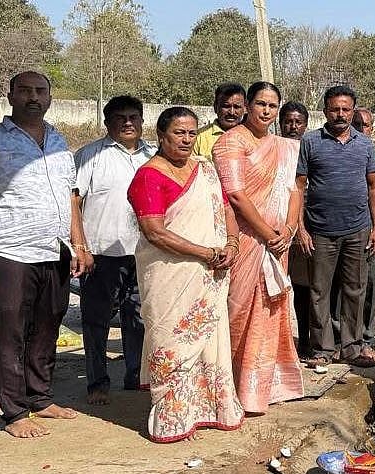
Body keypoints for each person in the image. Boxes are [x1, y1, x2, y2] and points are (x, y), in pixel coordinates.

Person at [0, 71, 92, 438]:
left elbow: (71, 196)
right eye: (25, 91)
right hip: (8, 251)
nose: (33, 97)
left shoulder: (59, 141)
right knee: (11, 331)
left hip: (53, 250)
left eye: (40, 91)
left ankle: (41, 397)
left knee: (48, 325)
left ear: (49, 97)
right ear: (10, 96)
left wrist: (78, 243)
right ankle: (15, 411)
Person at [127, 106, 244, 442]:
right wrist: (206, 253)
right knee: (171, 340)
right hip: (170, 275)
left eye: (192, 133)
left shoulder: (205, 170)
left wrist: (232, 244)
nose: (186, 139)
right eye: (179, 133)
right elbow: (155, 232)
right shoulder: (148, 176)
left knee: (211, 343)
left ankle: (212, 409)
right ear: (161, 136)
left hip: (211, 273)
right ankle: (172, 416)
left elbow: (225, 209)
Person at [213, 81, 304, 414]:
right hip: (246, 241)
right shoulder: (229, 142)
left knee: (271, 310)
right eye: (261, 104)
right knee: (238, 309)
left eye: (272, 105)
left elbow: (294, 190)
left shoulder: (285, 146)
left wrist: (289, 230)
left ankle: (263, 388)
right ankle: (234, 387)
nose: (266, 111)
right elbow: (235, 195)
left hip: (279, 242)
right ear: (248, 106)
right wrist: (267, 233)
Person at [74, 95, 154, 406]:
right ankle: (97, 382)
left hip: (144, 252)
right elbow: (74, 204)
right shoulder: (90, 156)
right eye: (120, 117)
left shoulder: (154, 156)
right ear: (107, 122)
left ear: (142, 120)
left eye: (134, 116)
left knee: (138, 318)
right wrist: (80, 247)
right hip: (101, 253)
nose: (128, 122)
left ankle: (135, 375)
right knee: (96, 321)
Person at [296, 86, 375, 369]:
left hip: (357, 229)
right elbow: (299, 187)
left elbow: (373, 187)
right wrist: (301, 228)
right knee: (319, 291)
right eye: (335, 109)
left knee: (355, 288)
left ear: (353, 111)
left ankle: (352, 347)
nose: (340, 114)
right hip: (319, 230)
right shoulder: (310, 142)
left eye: (346, 109)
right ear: (325, 111)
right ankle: (322, 348)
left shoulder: (365, 145)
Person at [350, 107, 375, 353]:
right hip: (349, 230)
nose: (363, 129)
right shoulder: (344, 154)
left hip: (374, 231)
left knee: (371, 285)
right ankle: (346, 336)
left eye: (367, 125)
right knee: (349, 287)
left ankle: (366, 337)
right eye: (357, 124)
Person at [279, 101, 312, 353]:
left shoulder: (311, 149)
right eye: (288, 121)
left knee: (304, 287)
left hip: (304, 227)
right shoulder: (274, 149)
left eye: (297, 122)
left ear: (305, 124)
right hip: (275, 228)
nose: (292, 126)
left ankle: (306, 340)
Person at [193, 83, 246, 159]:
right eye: (226, 106)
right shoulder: (199, 138)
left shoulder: (253, 137)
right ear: (215, 107)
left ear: (245, 109)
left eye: (237, 107)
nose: (231, 112)